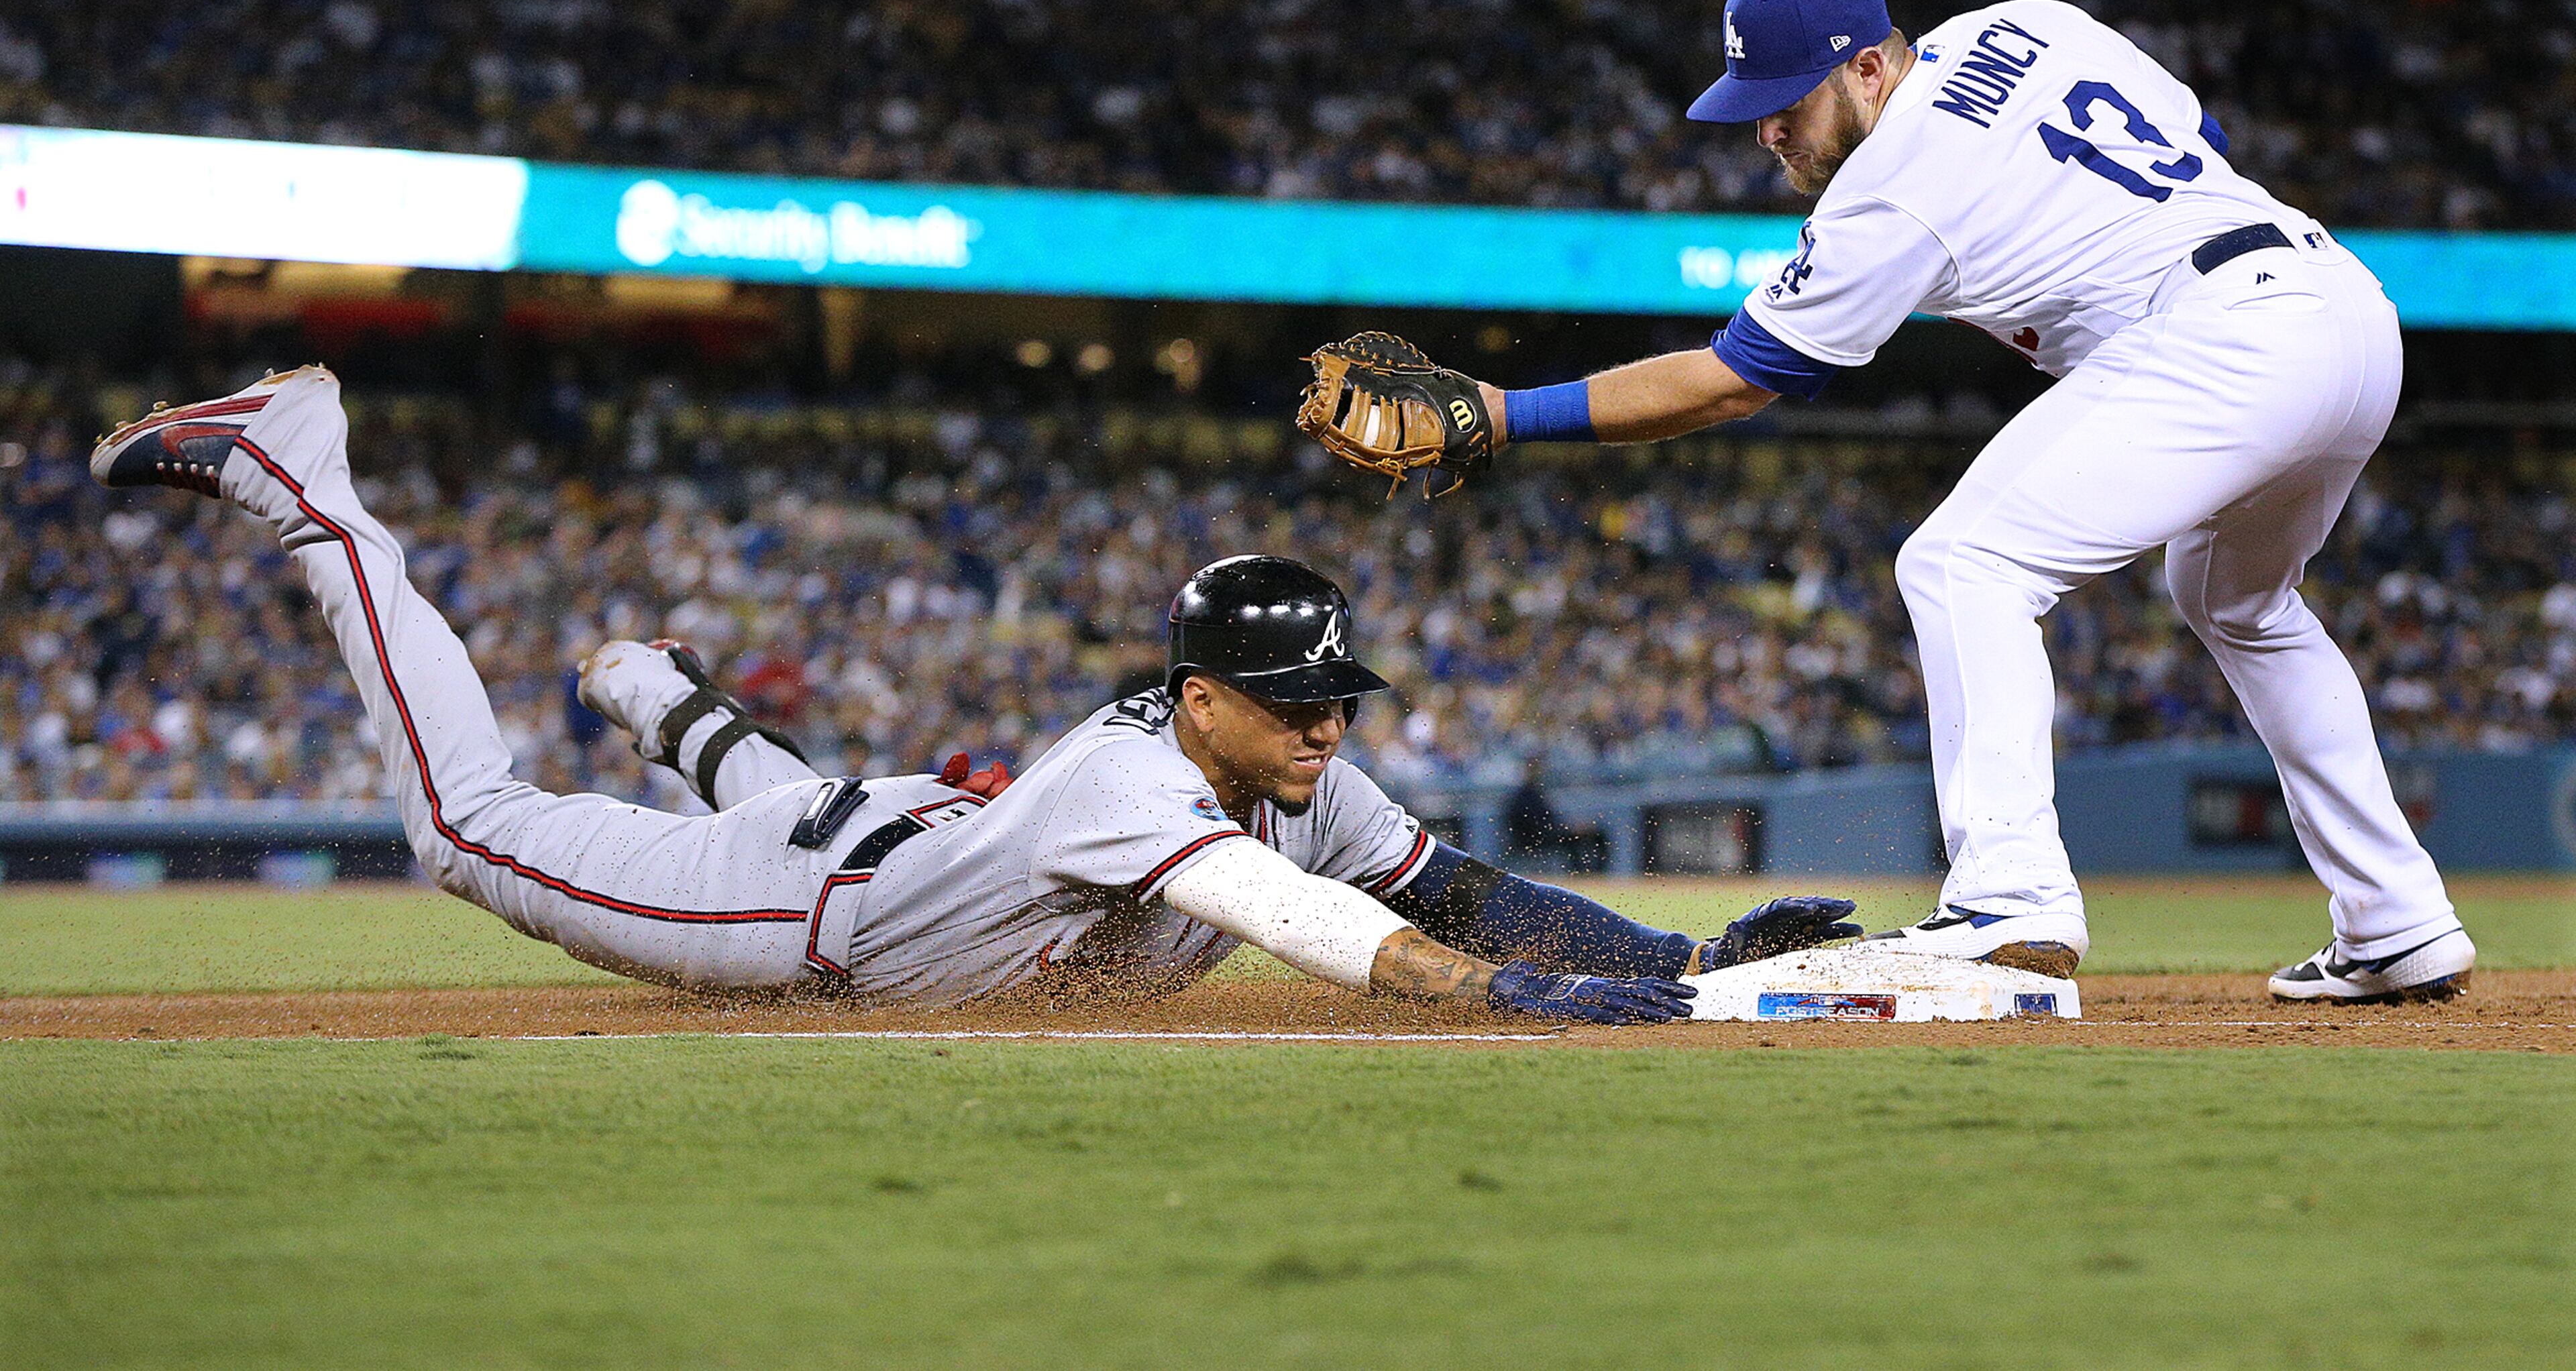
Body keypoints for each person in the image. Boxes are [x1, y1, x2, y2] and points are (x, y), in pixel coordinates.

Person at [1310, 0, 2473, 1003]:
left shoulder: (1890, 186)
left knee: (1963, 559)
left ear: (1870, 67)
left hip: (2225, 338)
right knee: (2241, 603)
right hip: (2344, 310)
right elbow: (2198, 132)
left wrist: (1505, 413)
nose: (1767, 133)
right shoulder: (2031, 20)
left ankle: (2012, 898)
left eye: (1786, 104)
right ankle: (2398, 921)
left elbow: (1729, 381)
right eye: (1751, 110)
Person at [90, 366, 1858, 1018]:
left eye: (1340, 697)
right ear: (1195, 696)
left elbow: (1450, 883)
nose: (1331, 727)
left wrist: (1675, 956)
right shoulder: (1134, 781)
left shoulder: (1300, 764)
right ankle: (300, 470)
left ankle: (647, 680)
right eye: (1296, 701)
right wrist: (1541, 1004)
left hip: (900, 829)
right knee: (467, 826)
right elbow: (1348, 940)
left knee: (764, 767)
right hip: (808, 912)